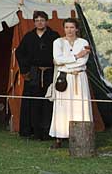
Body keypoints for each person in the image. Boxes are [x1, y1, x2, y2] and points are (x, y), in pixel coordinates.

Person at [15, 11, 60, 140]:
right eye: (37, 20)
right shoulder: (29, 37)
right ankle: (32, 131)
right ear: (34, 22)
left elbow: (59, 53)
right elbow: (19, 53)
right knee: (32, 102)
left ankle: (48, 131)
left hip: (49, 73)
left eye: (42, 20)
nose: (40, 22)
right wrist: (25, 71)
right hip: (33, 74)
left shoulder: (54, 36)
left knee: (48, 101)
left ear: (46, 21)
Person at [48, 18, 92, 149]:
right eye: (67, 27)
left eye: (72, 27)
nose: (69, 30)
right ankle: (59, 136)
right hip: (64, 78)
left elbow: (82, 62)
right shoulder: (58, 42)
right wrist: (76, 56)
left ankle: (81, 135)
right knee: (62, 107)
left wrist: (65, 62)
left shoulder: (83, 42)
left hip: (79, 77)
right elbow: (57, 59)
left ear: (77, 29)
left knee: (80, 105)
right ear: (64, 28)